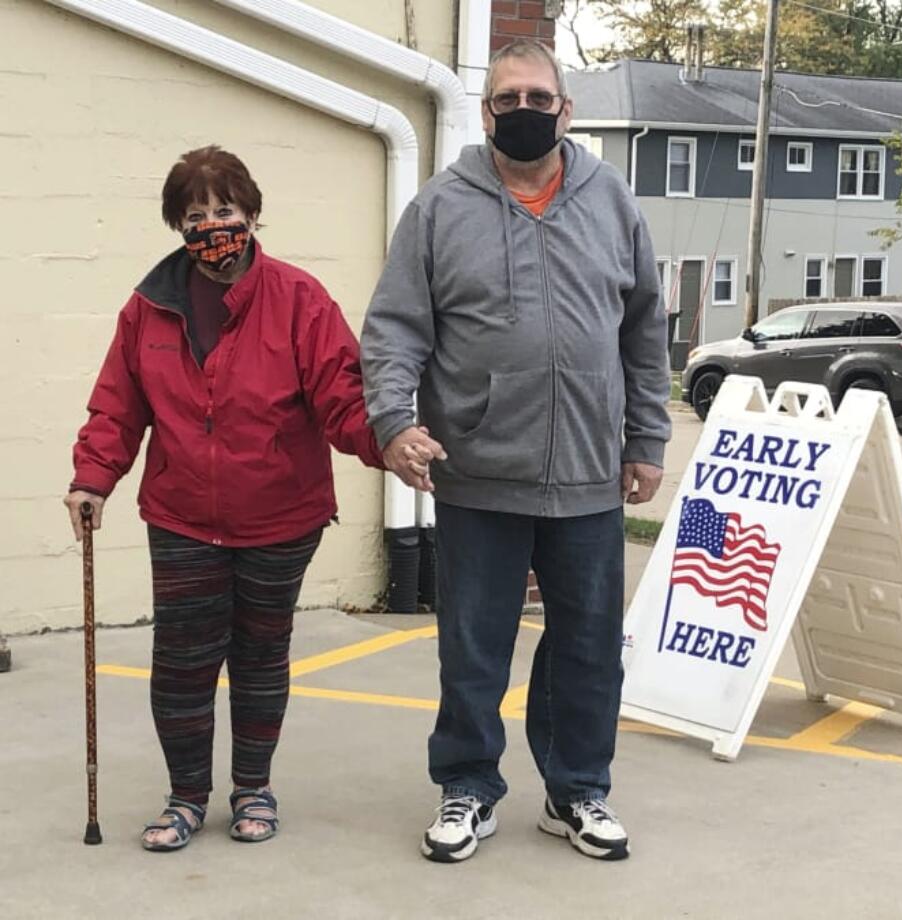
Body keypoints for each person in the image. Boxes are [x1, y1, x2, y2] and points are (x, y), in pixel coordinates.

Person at [361, 39, 671, 864]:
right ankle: (467, 786)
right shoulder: (438, 208)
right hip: (478, 476)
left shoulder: (613, 202)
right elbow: (393, 330)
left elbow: (644, 330)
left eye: (540, 98)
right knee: (473, 646)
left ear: (566, 111)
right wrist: (395, 423)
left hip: (590, 478)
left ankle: (577, 791)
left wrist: (646, 436)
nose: (524, 112)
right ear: (487, 111)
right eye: (508, 100)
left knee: (587, 646)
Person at [65, 146, 384, 851]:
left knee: (261, 654)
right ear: (176, 226)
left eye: (225, 211)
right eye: (195, 215)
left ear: (252, 214)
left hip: (280, 514)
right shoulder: (148, 308)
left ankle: (252, 789)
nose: (212, 226)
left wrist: (390, 443)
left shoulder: (301, 300)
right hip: (182, 515)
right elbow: (117, 407)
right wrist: (93, 477)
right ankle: (185, 797)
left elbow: (343, 398)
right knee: (182, 659)